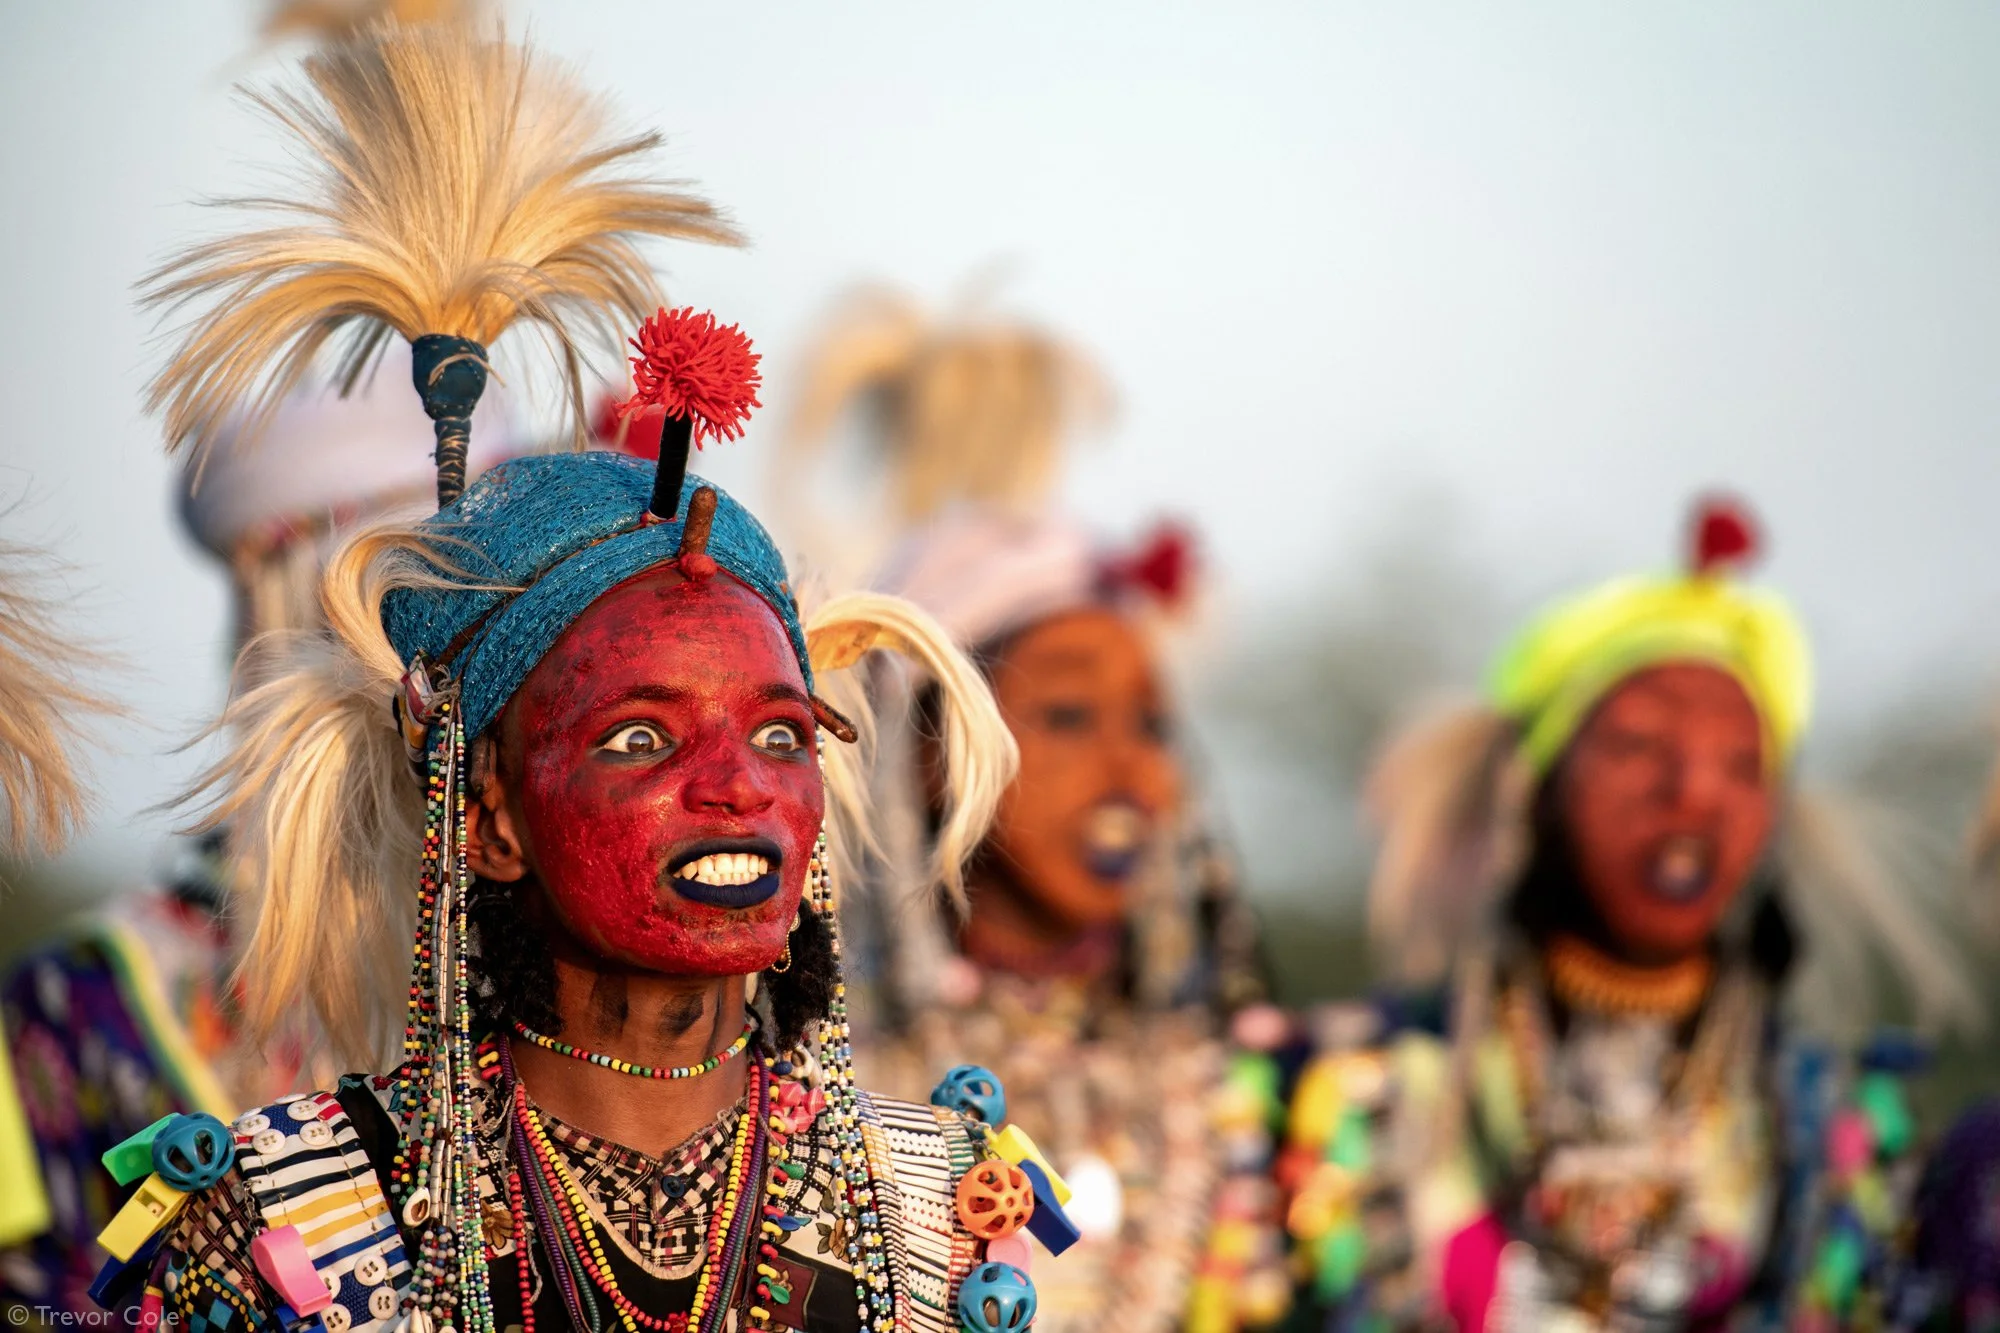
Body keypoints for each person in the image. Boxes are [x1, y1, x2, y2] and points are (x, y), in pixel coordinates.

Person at [85, 25, 1031, 1333]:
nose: (735, 789)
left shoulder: (937, 1216)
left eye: (778, 733)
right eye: (641, 738)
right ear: (487, 816)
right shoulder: (276, 1228)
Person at [1282, 498, 1981, 1331]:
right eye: (1639, 745)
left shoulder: (1848, 1143)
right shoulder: (1349, 1093)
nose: (1691, 790)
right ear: (1530, 789)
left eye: (1739, 763)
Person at [783, 290, 1278, 1333]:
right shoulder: (787, 1087)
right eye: (1065, 714)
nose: (1131, 776)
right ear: (923, 749)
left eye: (1150, 725)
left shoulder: (1257, 1099)